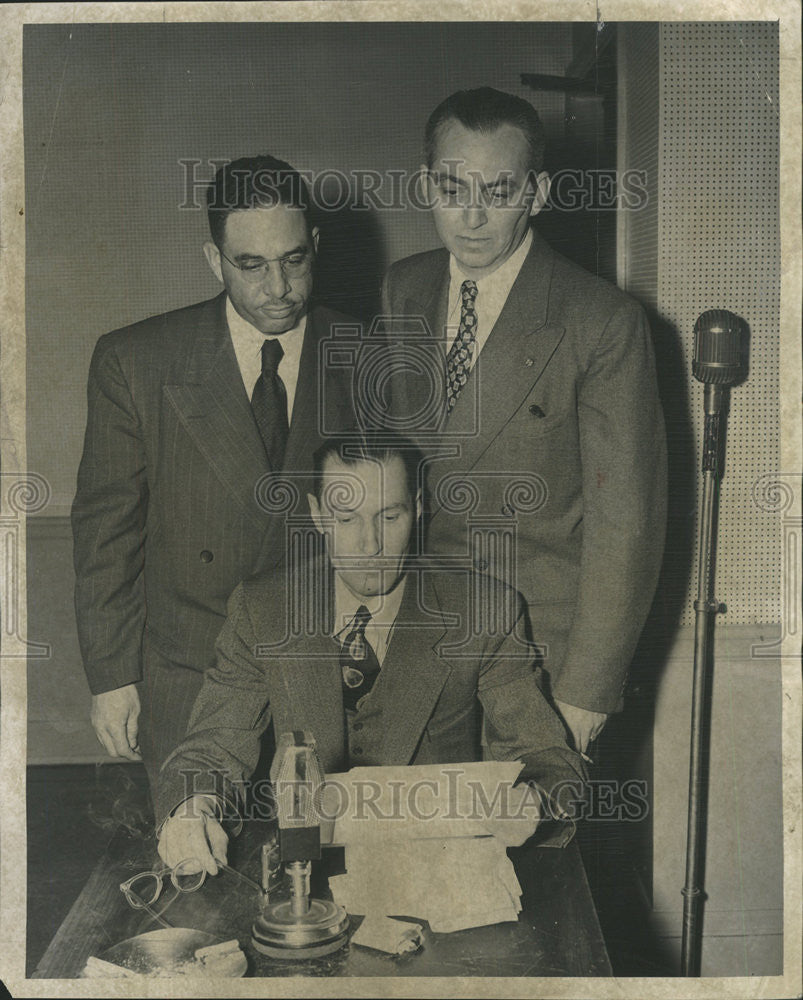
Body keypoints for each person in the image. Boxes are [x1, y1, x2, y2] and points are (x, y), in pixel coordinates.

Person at [380, 87, 667, 754]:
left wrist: (586, 691)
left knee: (532, 853)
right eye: (452, 188)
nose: (472, 216)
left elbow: (625, 523)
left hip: (537, 658)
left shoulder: (599, 320)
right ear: (426, 185)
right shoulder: (404, 289)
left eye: (499, 191)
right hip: (419, 644)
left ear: (537, 193)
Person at [156, 433, 587, 869]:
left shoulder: (482, 612)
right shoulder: (263, 608)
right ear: (318, 515)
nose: (369, 547)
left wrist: (531, 797)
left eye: (389, 516)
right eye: (346, 520)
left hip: (439, 863)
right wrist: (192, 809)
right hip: (302, 865)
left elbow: (549, 758)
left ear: (418, 508)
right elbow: (212, 746)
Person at [72, 155, 357, 798]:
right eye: (250, 265)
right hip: (189, 683)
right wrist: (112, 678)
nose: (276, 287)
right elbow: (105, 535)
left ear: (316, 247)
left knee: (326, 888)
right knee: (194, 879)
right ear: (213, 259)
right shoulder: (136, 361)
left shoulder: (366, 350)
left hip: (334, 681)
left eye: (293, 260)